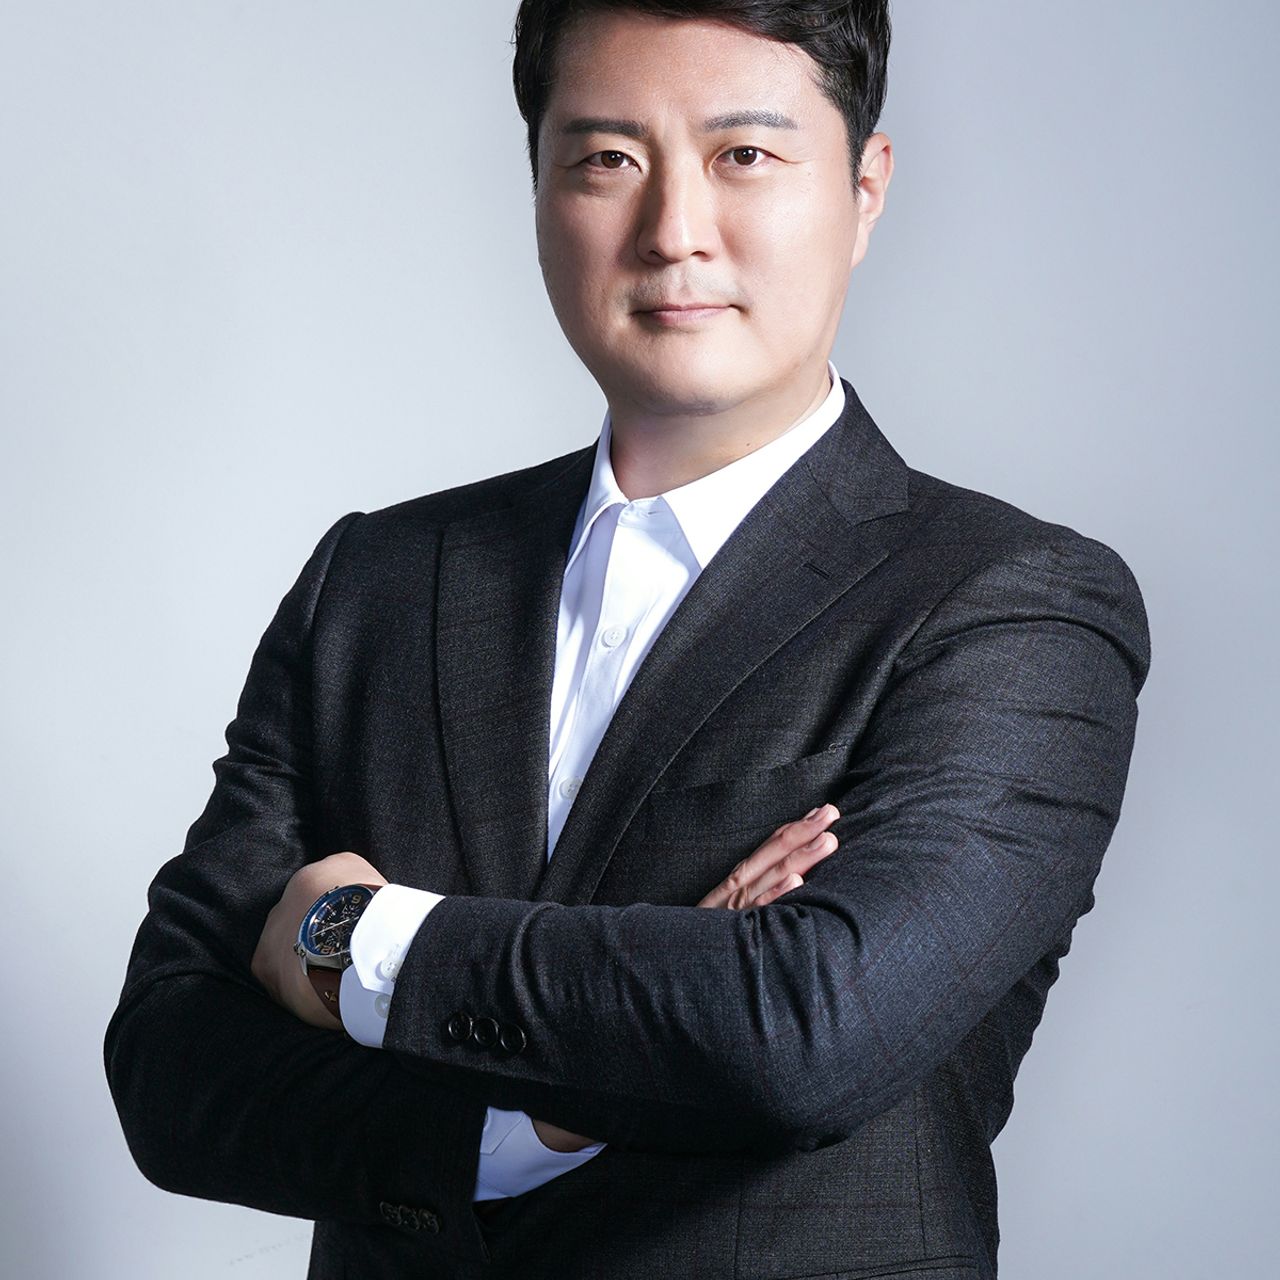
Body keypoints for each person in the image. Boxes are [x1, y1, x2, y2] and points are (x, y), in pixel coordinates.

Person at [104, 2, 1151, 1278]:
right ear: (538, 186)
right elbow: (169, 1068)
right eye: (606, 158)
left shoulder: (1012, 605)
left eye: (742, 155)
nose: (673, 230)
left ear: (864, 188)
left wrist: (360, 938)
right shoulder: (375, 579)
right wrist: (535, 1117)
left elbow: (805, 1029)